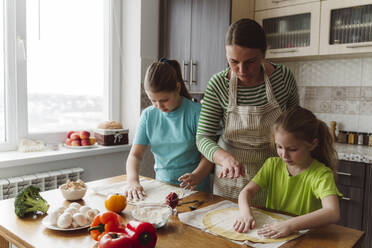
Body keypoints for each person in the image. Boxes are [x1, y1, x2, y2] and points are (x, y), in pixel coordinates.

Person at [196, 18, 299, 203]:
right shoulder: (218, 84)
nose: (241, 70)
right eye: (233, 62)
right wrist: (224, 158)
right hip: (230, 177)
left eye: (251, 61)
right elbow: (203, 137)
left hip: (272, 172)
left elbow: (295, 127)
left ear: (264, 52)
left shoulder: (283, 78)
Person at [233, 106, 340, 239]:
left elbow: (332, 212)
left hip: (305, 238)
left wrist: (289, 225)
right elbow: (246, 192)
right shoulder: (272, 165)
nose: (284, 155)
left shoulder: (321, 174)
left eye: (292, 149)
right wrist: (245, 214)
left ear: (313, 144)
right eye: (279, 147)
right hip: (274, 234)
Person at [124, 58, 213, 200]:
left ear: (177, 88)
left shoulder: (197, 112)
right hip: (162, 187)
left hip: (196, 190)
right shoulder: (148, 115)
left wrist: (197, 175)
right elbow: (135, 155)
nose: (159, 106)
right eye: (153, 100)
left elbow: (209, 156)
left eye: (164, 100)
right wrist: (133, 181)